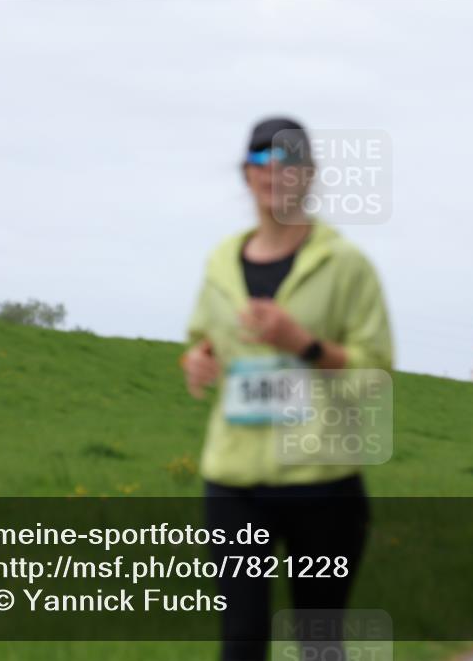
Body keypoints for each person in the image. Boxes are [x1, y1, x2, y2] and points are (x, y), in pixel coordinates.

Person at [181, 116, 393, 661]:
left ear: (310, 174)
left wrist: (303, 342)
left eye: (288, 164)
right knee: (242, 639)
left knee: (318, 643)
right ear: (245, 175)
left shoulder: (347, 265)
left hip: (321, 482)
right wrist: (199, 359)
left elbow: (374, 376)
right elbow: (205, 338)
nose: (275, 175)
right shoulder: (219, 261)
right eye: (262, 163)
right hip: (234, 481)